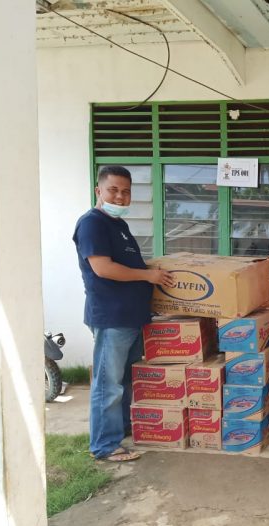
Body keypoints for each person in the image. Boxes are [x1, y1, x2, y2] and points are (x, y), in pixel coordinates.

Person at [73, 165, 174, 463]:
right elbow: (103, 268)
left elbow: (129, 265)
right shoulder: (92, 224)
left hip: (131, 317)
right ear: (99, 191)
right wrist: (148, 276)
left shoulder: (118, 225)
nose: (120, 197)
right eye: (113, 190)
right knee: (108, 384)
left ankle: (121, 431)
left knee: (126, 381)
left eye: (126, 192)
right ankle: (104, 445)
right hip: (112, 317)